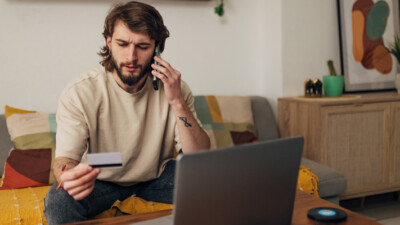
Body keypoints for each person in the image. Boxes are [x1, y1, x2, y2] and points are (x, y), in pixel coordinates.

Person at [43, 1, 210, 224]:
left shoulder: (175, 89)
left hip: (156, 175)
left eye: (142, 46)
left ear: (157, 48)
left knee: (216, 182)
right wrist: (67, 175)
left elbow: (198, 158)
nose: (131, 57)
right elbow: (65, 160)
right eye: (122, 44)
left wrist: (178, 102)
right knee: (58, 200)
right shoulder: (80, 92)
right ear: (109, 43)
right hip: (101, 179)